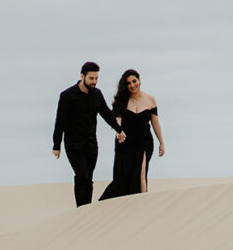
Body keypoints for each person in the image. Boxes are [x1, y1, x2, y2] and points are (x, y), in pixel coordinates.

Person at [52, 61, 127, 207]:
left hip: (91, 143)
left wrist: (119, 130)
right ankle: (81, 209)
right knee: (82, 176)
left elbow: (106, 114)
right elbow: (60, 121)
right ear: (82, 76)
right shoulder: (68, 96)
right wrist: (56, 145)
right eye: (91, 78)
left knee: (89, 179)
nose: (94, 81)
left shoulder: (97, 95)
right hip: (73, 144)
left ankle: (87, 208)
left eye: (96, 78)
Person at [99, 69, 165, 200]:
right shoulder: (122, 101)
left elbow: (155, 122)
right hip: (125, 142)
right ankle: (116, 204)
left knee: (141, 172)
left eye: (134, 81)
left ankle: (142, 201)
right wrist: (119, 132)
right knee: (123, 176)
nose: (132, 85)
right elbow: (117, 120)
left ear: (139, 80)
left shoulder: (150, 99)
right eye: (128, 83)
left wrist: (161, 142)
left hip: (144, 142)